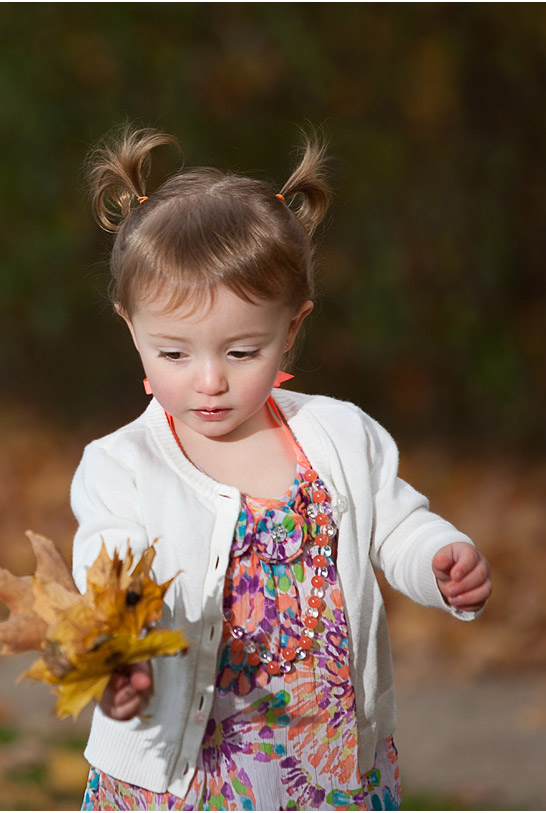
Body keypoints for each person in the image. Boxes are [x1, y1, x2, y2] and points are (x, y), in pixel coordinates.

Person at [71, 126, 492, 811]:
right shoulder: (124, 466)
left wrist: (438, 556)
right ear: (131, 329)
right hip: (186, 768)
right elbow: (108, 563)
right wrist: (122, 645)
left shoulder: (338, 435)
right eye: (174, 354)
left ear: (291, 329)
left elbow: (395, 520)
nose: (209, 381)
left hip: (326, 763)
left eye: (240, 352)